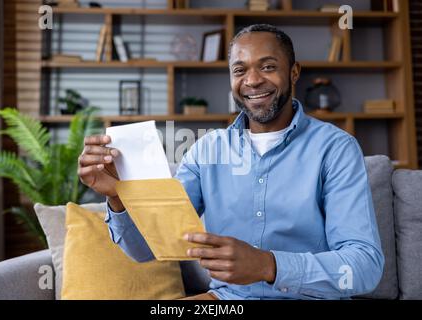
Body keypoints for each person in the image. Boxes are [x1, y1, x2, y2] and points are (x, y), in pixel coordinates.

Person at [78, 24, 384, 300]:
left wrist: (268, 265)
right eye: (240, 70)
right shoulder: (206, 150)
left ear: (293, 72)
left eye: (267, 66)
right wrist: (119, 196)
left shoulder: (336, 149)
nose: (252, 80)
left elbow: (364, 267)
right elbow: (146, 251)